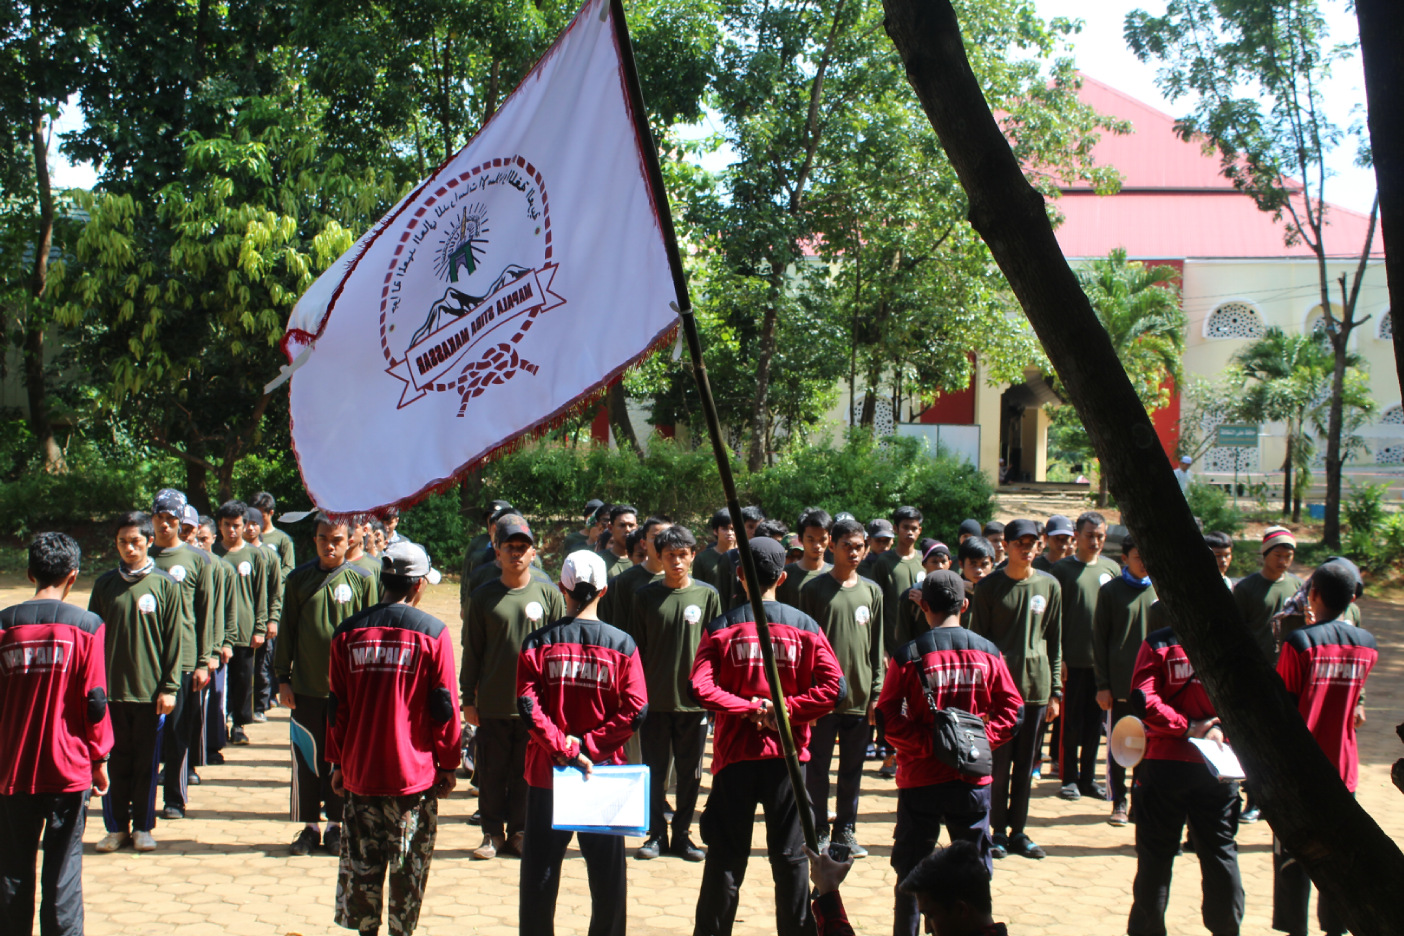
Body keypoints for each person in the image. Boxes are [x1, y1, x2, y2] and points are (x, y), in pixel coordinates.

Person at [689, 536, 845, 936]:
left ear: (740, 575)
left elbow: (699, 688)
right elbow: (835, 689)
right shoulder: (805, 626)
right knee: (792, 860)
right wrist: (783, 711)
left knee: (725, 858)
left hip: (736, 758)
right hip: (787, 761)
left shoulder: (721, 626)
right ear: (783, 576)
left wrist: (753, 708)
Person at [879, 570, 1022, 935]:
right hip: (972, 779)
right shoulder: (989, 652)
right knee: (974, 873)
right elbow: (1014, 711)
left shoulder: (908, 655)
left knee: (912, 872)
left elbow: (887, 717)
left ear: (923, 606)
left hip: (920, 777)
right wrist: (975, 740)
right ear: (966, 605)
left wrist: (927, 745)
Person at [329, 541, 459, 936]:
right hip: (412, 780)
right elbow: (444, 709)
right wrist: (449, 764)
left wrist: (337, 762)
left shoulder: (347, 633)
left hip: (360, 774)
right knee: (408, 870)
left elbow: (337, 709)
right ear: (418, 585)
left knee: (362, 868)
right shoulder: (433, 634)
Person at [517, 550, 647, 936]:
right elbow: (636, 709)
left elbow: (528, 707)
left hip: (547, 773)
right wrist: (590, 748)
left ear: (562, 588)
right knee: (608, 877)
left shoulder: (536, 642)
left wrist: (565, 749)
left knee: (540, 871)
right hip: (601, 775)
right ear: (605, 590)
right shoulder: (623, 645)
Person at [0, 533, 114, 936]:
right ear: (74, 576)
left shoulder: (4, 625)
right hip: (68, 768)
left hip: (12, 770)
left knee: (12, 869)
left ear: (30, 573)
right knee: (63, 872)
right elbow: (95, 701)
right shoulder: (86, 626)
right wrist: (100, 759)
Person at [1126, 602, 1244, 936]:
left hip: (1164, 765)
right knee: (1220, 852)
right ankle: (1227, 930)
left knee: (1155, 858)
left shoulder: (1158, 644)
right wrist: (1215, 728)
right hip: (1218, 766)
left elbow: (1143, 700)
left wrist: (1187, 726)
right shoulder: (1231, 643)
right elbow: (1245, 701)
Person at [1272, 562, 1377, 936]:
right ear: (1351, 599)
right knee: (1339, 862)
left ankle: (1294, 930)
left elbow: (1284, 713)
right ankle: (1335, 929)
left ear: (1312, 594)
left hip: (1301, 773)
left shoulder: (1299, 643)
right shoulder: (1368, 644)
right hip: (1344, 769)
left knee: (1293, 861)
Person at [460, 515, 565, 860]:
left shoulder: (549, 595)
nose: (517, 554)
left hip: (535, 706)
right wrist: (468, 698)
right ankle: (492, 833)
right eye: (510, 547)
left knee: (526, 773)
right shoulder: (483, 596)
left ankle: (521, 832)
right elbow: (472, 650)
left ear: (534, 553)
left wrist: (556, 703)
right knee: (490, 772)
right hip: (492, 702)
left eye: (523, 548)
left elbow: (558, 651)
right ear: (497, 551)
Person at [276, 513, 379, 857]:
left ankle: (337, 827)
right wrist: (282, 679)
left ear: (349, 539)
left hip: (346, 692)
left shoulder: (363, 580)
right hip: (305, 687)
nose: (329, 545)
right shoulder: (298, 580)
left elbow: (370, 635)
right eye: (323, 539)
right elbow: (287, 631)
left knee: (342, 761)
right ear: (315, 539)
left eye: (336, 539)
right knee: (307, 756)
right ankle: (309, 827)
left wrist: (367, 685)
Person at [88, 511, 184, 853]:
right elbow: (92, 640)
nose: (130, 548)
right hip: (111, 693)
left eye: (136, 542)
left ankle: (143, 826)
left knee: (146, 763)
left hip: (150, 694)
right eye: (123, 542)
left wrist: (170, 687)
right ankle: (115, 828)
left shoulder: (165, 585)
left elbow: (176, 639)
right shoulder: (104, 586)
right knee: (115, 762)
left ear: (148, 542)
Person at [969, 518, 1061, 860]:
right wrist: (982, 695)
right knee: (999, 766)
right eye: (1019, 542)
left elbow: (1055, 640)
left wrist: (1056, 691)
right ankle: (996, 832)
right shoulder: (990, 587)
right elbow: (978, 645)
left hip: (1037, 690)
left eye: (1032, 542)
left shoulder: (1050, 586)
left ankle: (1020, 832)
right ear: (1004, 545)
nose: (1026, 548)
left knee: (1026, 766)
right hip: (999, 696)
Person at [631, 525, 721, 861]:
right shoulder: (644, 596)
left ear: (693, 556)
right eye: (670, 555)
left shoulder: (707, 596)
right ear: (659, 556)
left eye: (683, 555)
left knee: (690, 774)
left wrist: (712, 696)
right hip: (654, 702)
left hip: (693, 704)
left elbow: (716, 648)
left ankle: (683, 835)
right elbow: (635, 651)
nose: (677, 562)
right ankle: (656, 834)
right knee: (654, 771)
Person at [799, 516, 884, 859]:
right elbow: (804, 648)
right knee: (818, 767)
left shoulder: (872, 591)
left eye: (859, 546)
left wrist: (876, 692)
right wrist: (806, 698)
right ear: (831, 545)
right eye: (846, 545)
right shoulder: (813, 590)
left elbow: (876, 647)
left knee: (852, 767)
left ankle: (845, 830)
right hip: (822, 697)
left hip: (860, 696)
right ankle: (818, 827)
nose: (853, 552)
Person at [147, 489, 218, 820]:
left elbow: (207, 612)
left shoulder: (197, 560)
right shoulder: (141, 558)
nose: (165, 525)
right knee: (144, 738)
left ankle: (174, 798)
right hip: (146, 660)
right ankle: (140, 798)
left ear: (180, 522)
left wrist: (205, 661)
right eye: (160, 518)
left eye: (172, 519)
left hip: (186, 660)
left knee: (178, 735)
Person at [1048, 511, 1119, 802]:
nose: (1095, 541)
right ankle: (1069, 778)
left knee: (1095, 725)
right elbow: (1053, 619)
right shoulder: (1062, 570)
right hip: (1071, 662)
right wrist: (1059, 656)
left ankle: (1089, 779)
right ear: (1076, 536)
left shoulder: (1111, 568)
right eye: (1090, 535)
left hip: (1101, 665)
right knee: (1070, 724)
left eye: (1100, 535)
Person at [1091, 536, 1157, 826]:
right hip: (1119, 685)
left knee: (1148, 745)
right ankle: (1118, 801)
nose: (1143, 563)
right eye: (1137, 556)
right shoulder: (1111, 592)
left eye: (1147, 557)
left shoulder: (1160, 591)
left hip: (1153, 686)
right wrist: (1103, 684)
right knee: (1121, 744)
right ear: (1125, 559)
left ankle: (1140, 801)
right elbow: (1100, 640)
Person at [214, 500, 273, 747]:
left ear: (244, 525)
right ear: (219, 525)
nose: (231, 530)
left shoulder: (255, 555)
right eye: (227, 525)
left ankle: (239, 725)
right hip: (216, 632)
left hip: (244, 629)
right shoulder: (212, 553)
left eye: (236, 525)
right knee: (218, 684)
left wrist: (261, 627)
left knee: (242, 680)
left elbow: (263, 594)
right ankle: (217, 725)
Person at [1233, 526, 1302, 663]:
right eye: (1277, 555)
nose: (1283, 561)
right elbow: (1236, 630)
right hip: (1255, 664)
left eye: (1288, 556)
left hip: (1289, 664)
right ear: (1265, 553)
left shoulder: (1299, 587)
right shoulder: (1246, 588)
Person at [597, 517, 671, 640]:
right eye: (656, 537)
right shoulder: (624, 581)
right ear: (644, 543)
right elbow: (617, 627)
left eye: (668, 538)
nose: (662, 543)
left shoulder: (680, 579)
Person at [873, 506, 926, 670]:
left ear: (920, 530)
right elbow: (876, 608)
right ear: (896, 529)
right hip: (894, 643)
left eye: (914, 528)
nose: (909, 532)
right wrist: (882, 649)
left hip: (924, 642)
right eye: (905, 527)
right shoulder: (884, 562)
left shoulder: (925, 559)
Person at [777, 509, 833, 608]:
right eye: (811, 539)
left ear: (830, 539)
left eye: (822, 539)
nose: (817, 545)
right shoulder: (785, 576)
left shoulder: (836, 575)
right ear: (800, 539)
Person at [693, 509, 738, 608]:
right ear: (715, 531)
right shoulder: (702, 559)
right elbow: (697, 591)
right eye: (725, 528)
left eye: (733, 529)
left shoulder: (744, 557)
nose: (729, 533)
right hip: (712, 612)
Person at [602, 505, 641, 580]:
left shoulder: (645, 560)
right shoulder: (599, 561)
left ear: (637, 528)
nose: (627, 530)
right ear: (610, 528)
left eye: (631, 525)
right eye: (622, 525)